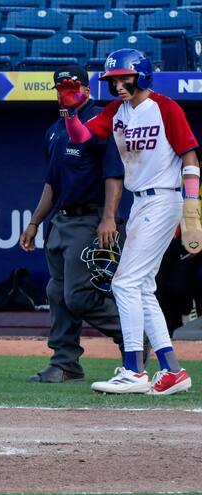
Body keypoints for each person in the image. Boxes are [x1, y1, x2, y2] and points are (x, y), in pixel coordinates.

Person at [61, 48, 199, 395]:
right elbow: (82, 137)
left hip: (165, 196)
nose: (119, 84)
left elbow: (190, 155)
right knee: (142, 287)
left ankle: (135, 369)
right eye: (113, 79)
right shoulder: (115, 111)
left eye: (125, 77)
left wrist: (193, 206)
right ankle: (172, 371)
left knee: (124, 283)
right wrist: (70, 111)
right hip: (140, 202)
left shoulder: (165, 107)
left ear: (142, 75)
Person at [19, 66, 126, 384]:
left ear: (87, 89)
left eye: (70, 86)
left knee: (78, 295)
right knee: (56, 292)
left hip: (90, 219)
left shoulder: (100, 123)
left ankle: (134, 339)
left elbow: (113, 174)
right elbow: (52, 183)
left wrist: (108, 218)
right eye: (59, 87)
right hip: (62, 221)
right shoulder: (55, 130)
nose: (62, 92)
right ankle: (65, 363)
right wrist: (34, 222)